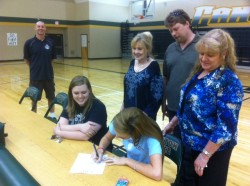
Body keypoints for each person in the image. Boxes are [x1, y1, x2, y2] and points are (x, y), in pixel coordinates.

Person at [163, 29, 244, 186]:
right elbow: (186, 105)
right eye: (201, 53)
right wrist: (173, 123)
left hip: (212, 151)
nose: (204, 58)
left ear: (224, 54)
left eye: (210, 55)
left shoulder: (229, 81)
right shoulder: (201, 71)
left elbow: (225, 128)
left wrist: (205, 155)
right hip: (189, 145)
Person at [92, 107, 164, 181]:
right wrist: (100, 149)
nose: (116, 136)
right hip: (129, 167)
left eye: (122, 137)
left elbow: (157, 174)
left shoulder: (151, 139)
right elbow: (107, 138)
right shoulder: (118, 124)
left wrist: (127, 161)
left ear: (134, 133)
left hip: (145, 172)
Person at [162, 9, 200, 138]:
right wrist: (163, 103)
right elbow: (166, 77)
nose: (173, 33)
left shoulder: (203, 46)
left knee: (192, 149)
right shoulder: (170, 48)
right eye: (170, 31)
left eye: (176, 29)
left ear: (187, 24)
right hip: (173, 107)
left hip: (195, 109)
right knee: (177, 148)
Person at [53, 76, 112, 150]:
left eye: (84, 92)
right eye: (76, 93)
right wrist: (80, 127)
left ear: (89, 90)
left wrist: (59, 132)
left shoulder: (98, 106)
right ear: (71, 93)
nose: (80, 96)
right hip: (74, 144)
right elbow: (60, 125)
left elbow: (84, 136)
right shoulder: (70, 104)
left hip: (96, 149)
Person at [122, 31, 163, 121]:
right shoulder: (132, 63)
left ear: (147, 49)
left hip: (144, 117)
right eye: (134, 48)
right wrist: (123, 108)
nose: (136, 52)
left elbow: (157, 96)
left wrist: (144, 115)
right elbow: (127, 89)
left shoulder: (153, 66)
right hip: (128, 113)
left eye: (140, 49)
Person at [23, 21, 56, 117]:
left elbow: (52, 59)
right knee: (34, 98)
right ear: (35, 28)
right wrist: (35, 68)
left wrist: (45, 67)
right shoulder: (29, 43)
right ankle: (34, 115)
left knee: (51, 97)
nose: (40, 28)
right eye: (38, 26)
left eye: (42, 26)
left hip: (49, 76)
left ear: (45, 28)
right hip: (35, 77)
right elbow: (26, 59)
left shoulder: (50, 42)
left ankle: (52, 115)